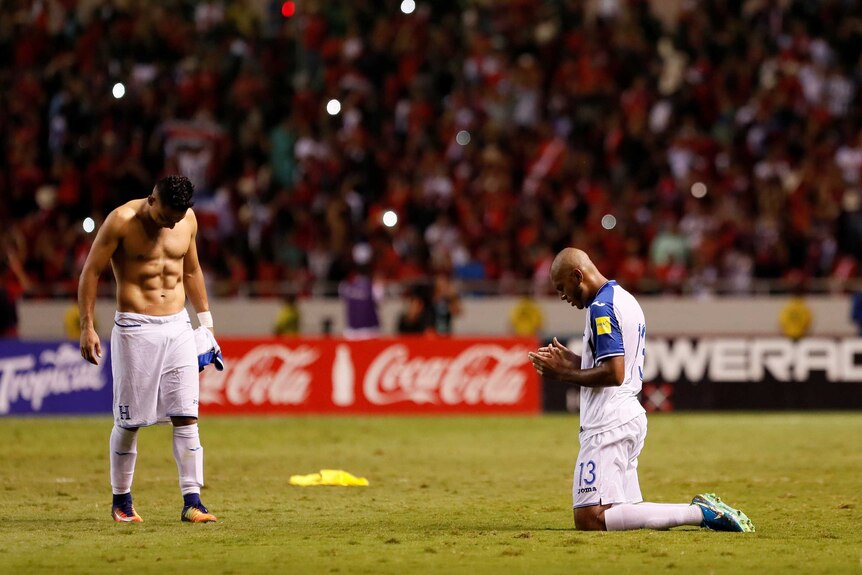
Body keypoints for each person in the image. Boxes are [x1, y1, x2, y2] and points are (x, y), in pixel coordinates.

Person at [527, 247, 754, 532]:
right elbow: (615, 360)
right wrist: (576, 361)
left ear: (577, 275)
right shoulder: (624, 298)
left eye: (562, 288)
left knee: (590, 517)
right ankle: (699, 514)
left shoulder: (600, 307)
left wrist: (565, 373)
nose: (562, 296)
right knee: (625, 514)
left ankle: (700, 513)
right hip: (626, 415)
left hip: (608, 421)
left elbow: (614, 372)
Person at [78, 175, 219, 524]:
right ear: (152, 200)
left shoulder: (186, 219)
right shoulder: (121, 221)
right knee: (130, 421)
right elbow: (91, 272)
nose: (171, 224)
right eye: (165, 217)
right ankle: (121, 501)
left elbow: (192, 271)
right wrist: (87, 325)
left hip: (178, 327)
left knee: (187, 414)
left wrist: (207, 323)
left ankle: (193, 502)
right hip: (135, 328)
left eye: (177, 218)